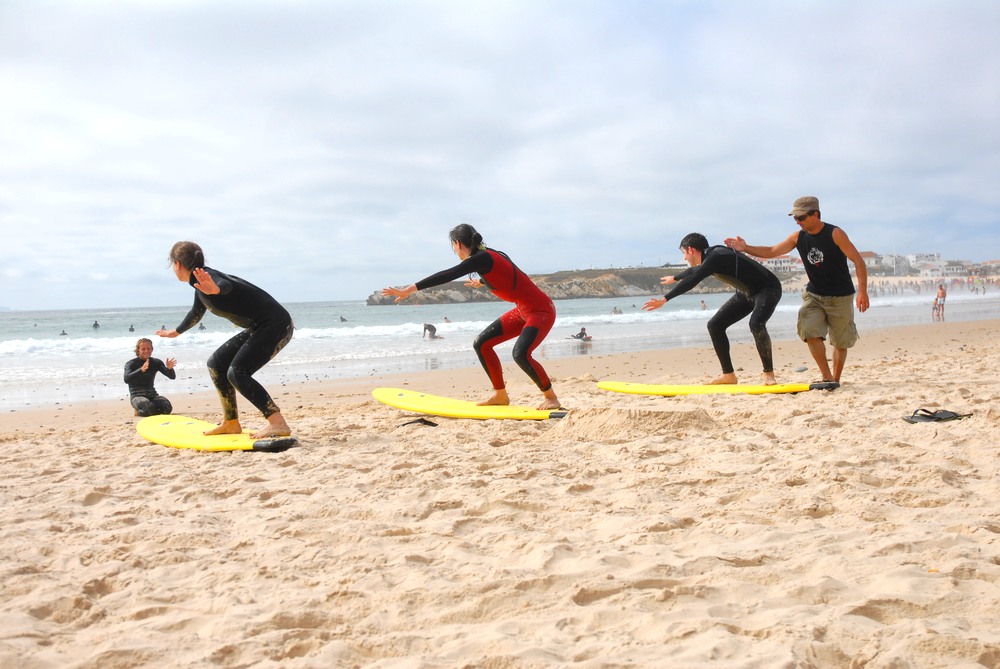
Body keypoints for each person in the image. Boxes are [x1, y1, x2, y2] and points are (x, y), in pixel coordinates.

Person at [382, 224, 561, 410]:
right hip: (524, 310)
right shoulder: (487, 255)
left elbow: (450, 274)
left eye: (453, 246)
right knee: (482, 344)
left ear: (457, 243)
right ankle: (500, 395)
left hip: (541, 311)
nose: (455, 250)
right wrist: (483, 281)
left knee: (521, 354)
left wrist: (409, 290)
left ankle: (551, 398)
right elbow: (508, 273)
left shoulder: (482, 257)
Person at [725, 195, 869, 384]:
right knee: (809, 332)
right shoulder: (798, 237)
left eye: (801, 217)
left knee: (841, 342)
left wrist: (863, 291)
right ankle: (826, 377)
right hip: (814, 294)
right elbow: (772, 251)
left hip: (840, 296)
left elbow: (858, 261)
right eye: (795, 218)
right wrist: (745, 248)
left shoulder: (835, 234)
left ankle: (835, 379)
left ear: (815, 214)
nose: (797, 221)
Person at [156, 241, 294, 438]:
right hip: (261, 326)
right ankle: (231, 422)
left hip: (276, 325)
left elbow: (225, 286)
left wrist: (216, 290)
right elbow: (196, 313)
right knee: (216, 364)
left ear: (177, 264)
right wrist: (175, 332)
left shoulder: (209, 278)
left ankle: (277, 422)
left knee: (237, 372)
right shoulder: (200, 285)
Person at [643, 233, 782, 385]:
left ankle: (768, 374)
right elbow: (694, 271)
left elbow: (693, 279)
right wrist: (675, 277)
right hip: (746, 292)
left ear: (690, 250)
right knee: (715, 325)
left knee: (756, 324)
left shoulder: (715, 256)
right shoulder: (711, 258)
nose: (684, 258)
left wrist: (665, 299)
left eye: (683, 253)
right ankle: (729, 375)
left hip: (768, 289)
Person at [124, 338, 176, 417]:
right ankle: (138, 411)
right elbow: (126, 379)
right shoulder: (131, 363)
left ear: (152, 349)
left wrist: (170, 368)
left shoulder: (156, 362)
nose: (146, 351)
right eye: (143, 349)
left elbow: (172, 377)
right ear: (138, 350)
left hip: (152, 395)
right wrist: (141, 370)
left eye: (148, 348)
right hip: (137, 396)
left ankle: (151, 410)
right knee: (148, 408)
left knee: (167, 408)